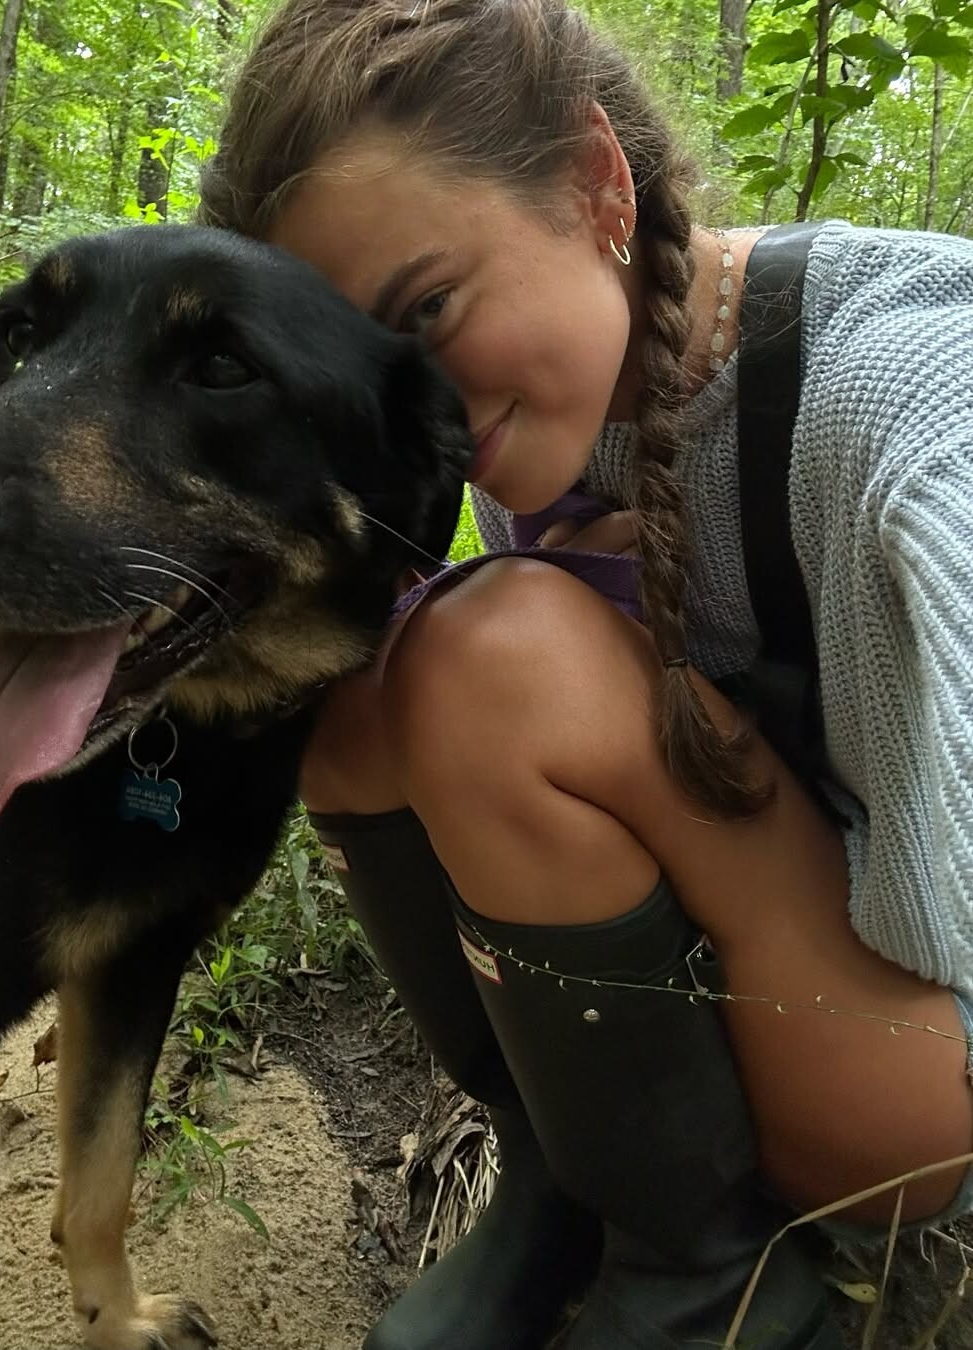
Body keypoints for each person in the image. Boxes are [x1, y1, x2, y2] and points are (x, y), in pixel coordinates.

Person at [198, 1, 973, 1346]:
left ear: (595, 181)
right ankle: (560, 1174)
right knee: (351, 673)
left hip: (917, 1067)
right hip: (785, 939)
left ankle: (706, 1282)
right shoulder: (562, 393)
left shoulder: (905, 401)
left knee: (489, 660)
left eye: (429, 309)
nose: (420, 417)